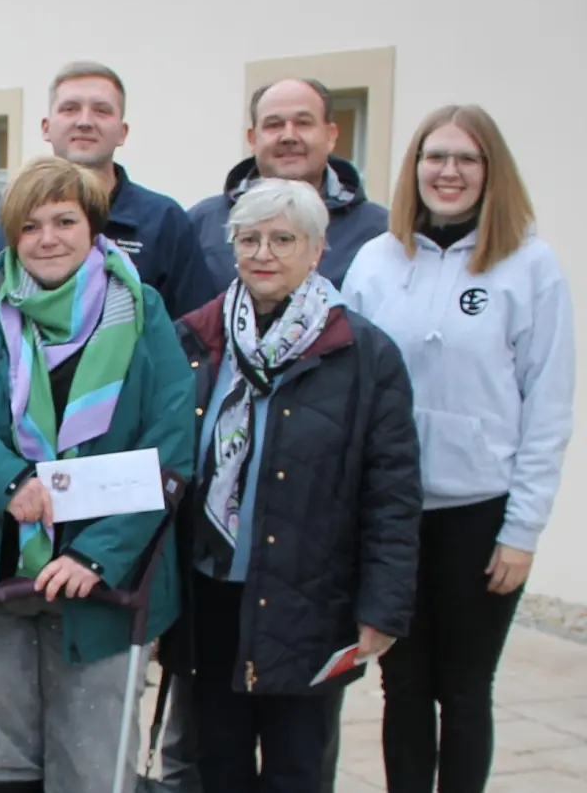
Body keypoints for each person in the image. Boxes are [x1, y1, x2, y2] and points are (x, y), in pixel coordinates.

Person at [0, 154, 195, 793]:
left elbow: (170, 450)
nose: (47, 238)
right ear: (10, 235)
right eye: (30, 226)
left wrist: (97, 555)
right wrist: (7, 480)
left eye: (64, 220)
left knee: (93, 766)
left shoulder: (142, 313)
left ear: (93, 228)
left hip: (104, 586)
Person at [343, 105, 575, 793]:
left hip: (479, 513)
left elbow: (549, 407)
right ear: (414, 168)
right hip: (393, 513)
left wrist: (522, 530)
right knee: (402, 683)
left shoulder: (529, 266)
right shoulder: (378, 261)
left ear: (490, 171)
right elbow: (350, 385)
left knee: (466, 688)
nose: (448, 171)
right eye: (435, 156)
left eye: (466, 159)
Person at [166, 177, 421, 793]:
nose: (263, 254)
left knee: (297, 770)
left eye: (283, 239)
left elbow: (391, 492)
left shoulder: (363, 353)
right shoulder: (195, 338)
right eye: (248, 239)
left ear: (317, 248)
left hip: (309, 601)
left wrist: (381, 607)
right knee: (216, 766)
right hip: (211, 595)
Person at [0, 61, 216, 318]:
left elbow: (194, 330)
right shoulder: (5, 213)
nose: (85, 122)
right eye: (70, 109)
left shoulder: (164, 221)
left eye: (101, 110)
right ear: (46, 127)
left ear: (122, 132)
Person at [189, 78, 388, 291]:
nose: (288, 136)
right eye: (274, 125)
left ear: (331, 136)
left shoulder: (379, 232)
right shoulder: (200, 226)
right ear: (253, 139)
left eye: (303, 123)